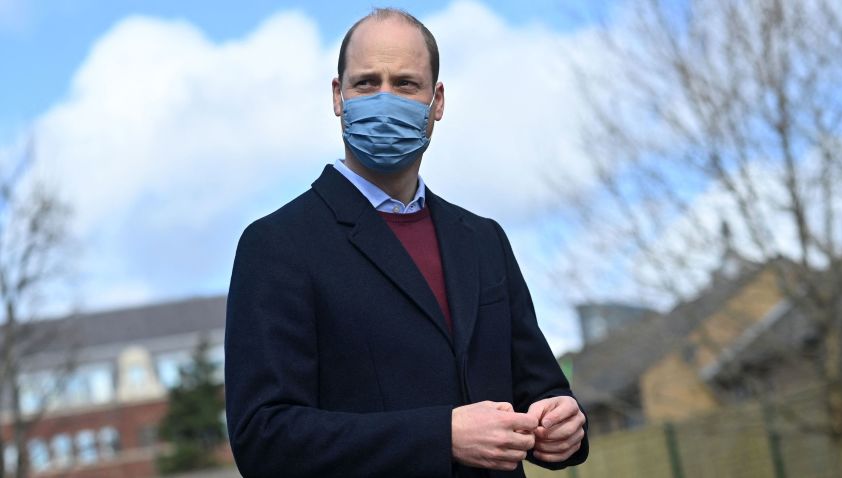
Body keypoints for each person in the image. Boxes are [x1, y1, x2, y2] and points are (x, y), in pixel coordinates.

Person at [224, 8, 588, 478]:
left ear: (436, 102)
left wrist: (561, 422)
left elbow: (540, 388)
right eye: (366, 82)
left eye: (405, 83)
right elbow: (264, 439)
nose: (384, 99)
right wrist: (441, 437)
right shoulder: (276, 246)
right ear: (338, 96)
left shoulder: (483, 241)